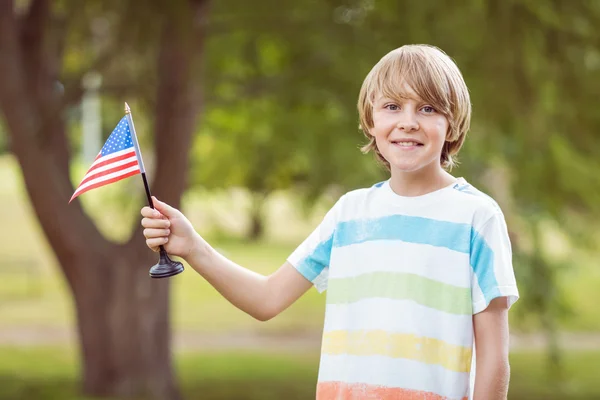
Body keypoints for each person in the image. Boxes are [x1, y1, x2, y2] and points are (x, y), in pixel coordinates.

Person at [140, 44, 519, 400]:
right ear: (371, 120)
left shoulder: (476, 217)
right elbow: (267, 299)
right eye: (392, 106)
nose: (407, 122)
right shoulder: (349, 214)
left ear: (452, 125)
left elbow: (494, 360)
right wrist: (193, 247)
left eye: (427, 109)